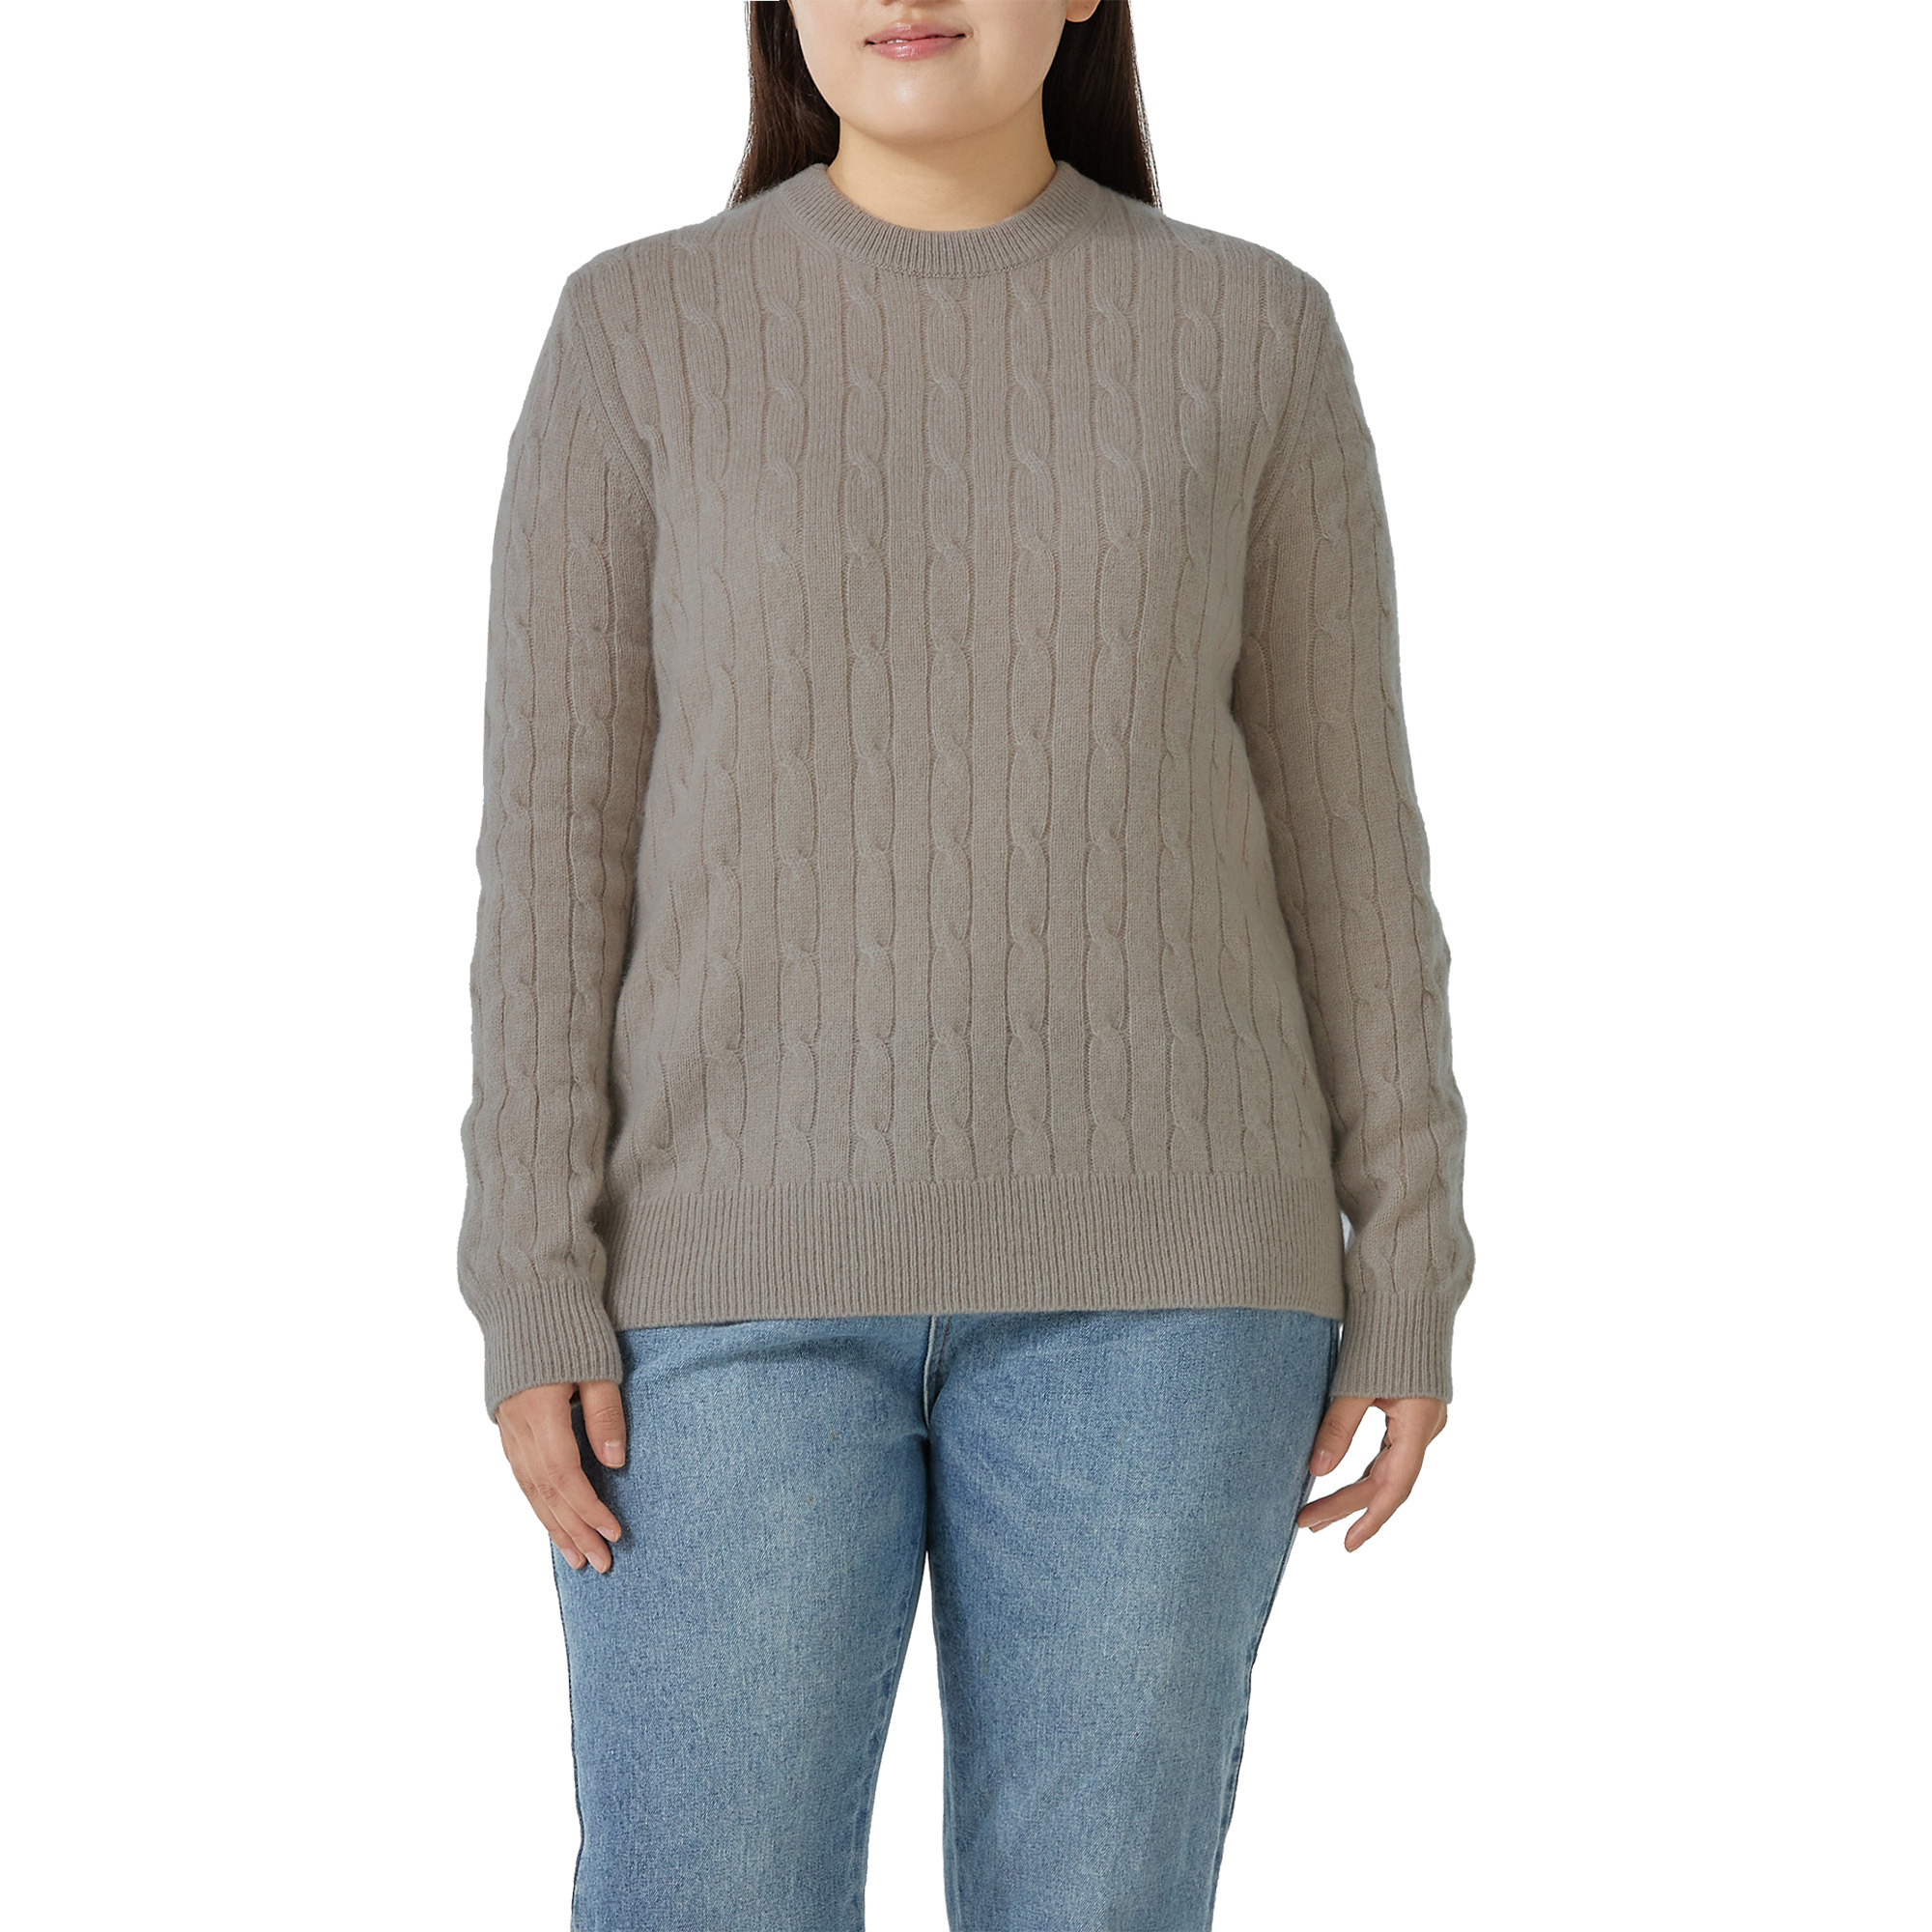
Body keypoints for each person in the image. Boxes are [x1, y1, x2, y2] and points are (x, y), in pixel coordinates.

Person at [456, 3, 1475, 1924]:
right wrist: (531, 1280)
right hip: (720, 1299)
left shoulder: (1249, 333)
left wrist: (1410, 1260)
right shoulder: (638, 333)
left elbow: (1350, 838)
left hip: (1170, 1298)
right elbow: (557, 851)